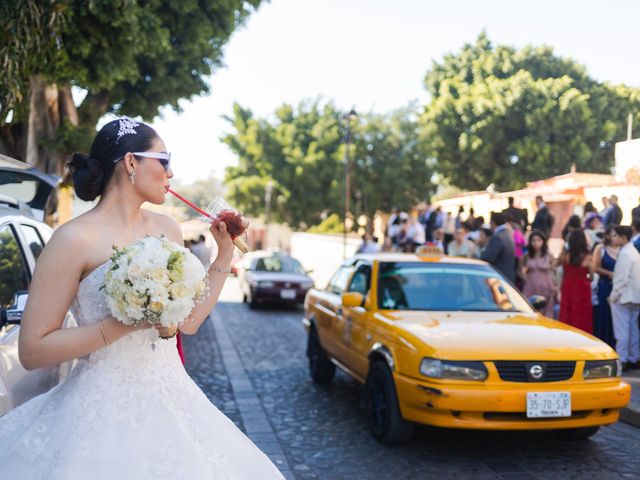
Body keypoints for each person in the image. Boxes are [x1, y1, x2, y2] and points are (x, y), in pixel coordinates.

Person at [0, 118, 284, 478]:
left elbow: (189, 322)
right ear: (131, 162)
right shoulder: (72, 240)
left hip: (174, 397)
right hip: (98, 410)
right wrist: (119, 325)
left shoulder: (167, 228)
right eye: (164, 160)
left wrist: (224, 254)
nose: (171, 172)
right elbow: (33, 349)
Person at [609, 225, 640, 370]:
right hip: (634, 297)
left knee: (622, 331)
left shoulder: (626, 253)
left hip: (623, 297)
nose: (612, 238)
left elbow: (621, 279)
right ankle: (633, 357)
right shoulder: (633, 251)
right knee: (633, 329)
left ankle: (623, 359)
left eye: (615, 235)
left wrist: (613, 296)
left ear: (623, 237)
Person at [559, 229, 593, 334]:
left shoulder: (565, 255)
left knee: (567, 312)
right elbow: (591, 274)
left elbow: (557, 265)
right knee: (582, 314)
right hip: (583, 287)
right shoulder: (587, 256)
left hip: (568, 285)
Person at [592, 225, 619, 347]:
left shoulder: (623, 249)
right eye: (613, 235)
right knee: (604, 315)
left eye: (616, 235)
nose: (614, 238)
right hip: (605, 286)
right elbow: (595, 268)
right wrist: (609, 274)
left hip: (619, 287)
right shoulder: (601, 248)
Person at [519, 230, 556, 317]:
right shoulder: (527, 256)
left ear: (543, 241)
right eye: (533, 241)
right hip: (530, 287)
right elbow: (520, 270)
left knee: (545, 312)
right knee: (529, 310)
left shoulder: (549, 255)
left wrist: (555, 287)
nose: (536, 243)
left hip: (545, 287)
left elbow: (554, 271)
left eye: (539, 240)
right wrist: (524, 277)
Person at [481, 212, 516, 284]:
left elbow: (488, 257)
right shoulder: (508, 234)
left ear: (492, 222)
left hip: (500, 277)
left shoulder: (497, 237)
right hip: (508, 276)